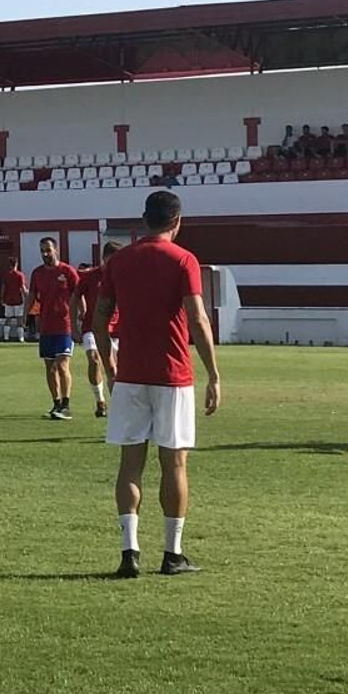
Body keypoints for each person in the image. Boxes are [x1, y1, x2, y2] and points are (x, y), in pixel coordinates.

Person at [89, 191, 221, 579]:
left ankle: (129, 552)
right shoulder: (183, 259)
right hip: (172, 374)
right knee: (174, 463)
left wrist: (110, 364)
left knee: (130, 464)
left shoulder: (120, 260)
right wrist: (213, 374)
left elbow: (99, 319)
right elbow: (197, 319)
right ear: (177, 221)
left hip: (130, 374)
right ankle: (172, 553)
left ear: (144, 220)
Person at [29, 238, 82, 419]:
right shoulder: (37, 273)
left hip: (64, 325)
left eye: (48, 250)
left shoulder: (67, 271)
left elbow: (78, 294)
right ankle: (56, 403)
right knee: (50, 367)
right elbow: (32, 295)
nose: (45, 254)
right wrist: (24, 315)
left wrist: (82, 314)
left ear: (56, 250)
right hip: (46, 327)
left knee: (62, 365)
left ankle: (66, 405)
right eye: (42, 250)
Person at [70, 242, 124, 416]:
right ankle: (100, 400)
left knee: (114, 370)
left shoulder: (124, 276)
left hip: (116, 329)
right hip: (92, 328)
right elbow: (74, 298)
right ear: (104, 258)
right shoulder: (90, 276)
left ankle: (118, 407)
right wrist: (74, 327)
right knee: (94, 359)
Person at [0, 256, 27, 341]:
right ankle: (21, 338)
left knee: (8, 319)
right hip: (18, 300)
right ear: (16, 264)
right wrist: (26, 297)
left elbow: (3, 288)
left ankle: (6, 337)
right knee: (19, 319)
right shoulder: (20, 275)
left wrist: (2, 298)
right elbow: (22, 288)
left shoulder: (6, 275)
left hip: (8, 300)